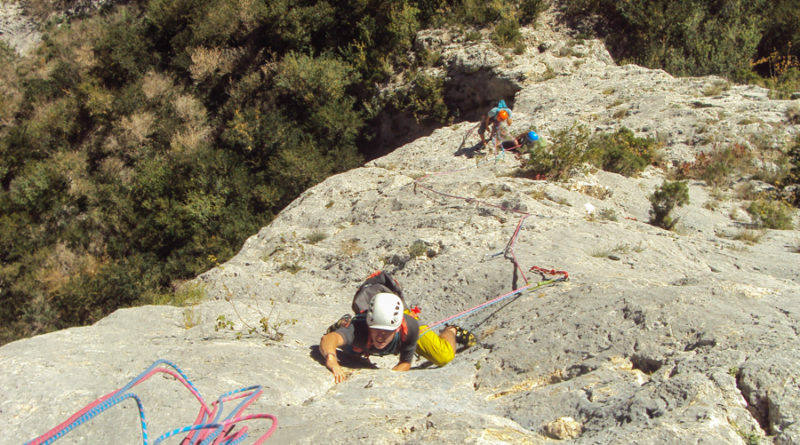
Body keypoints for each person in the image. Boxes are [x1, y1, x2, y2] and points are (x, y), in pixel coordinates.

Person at [319, 292, 476, 383]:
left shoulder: (410, 328)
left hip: (405, 330)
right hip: (366, 332)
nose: (381, 336)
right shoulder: (361, 329)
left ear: (397, 328)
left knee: (444, 356)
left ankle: (452, 330)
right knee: (351, 350)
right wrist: (332, 360)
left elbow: (405, 362)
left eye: (386, 332)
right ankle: (345, 324)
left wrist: (387, 378)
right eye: (377, 330)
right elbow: (328, 339)